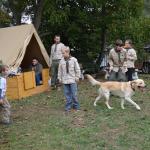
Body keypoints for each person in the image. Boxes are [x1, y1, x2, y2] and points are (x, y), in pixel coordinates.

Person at [58, 47, 81, 112]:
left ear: (67, 52)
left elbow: (77, 69)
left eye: (63, 53)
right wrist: (59, 78)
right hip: (65, 80)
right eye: (62, 53)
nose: (62, 54)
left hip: (73, 80)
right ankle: (68, 106)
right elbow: (59, 71)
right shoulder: (61, 61)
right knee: (67, 94)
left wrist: (77, 77)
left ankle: (76, 106)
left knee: (74, 94)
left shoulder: (74, 60)